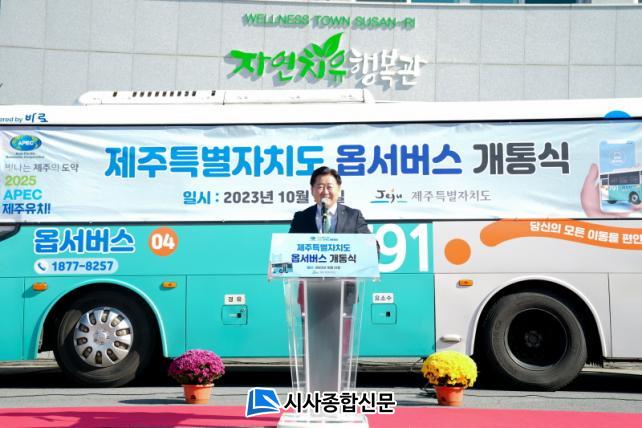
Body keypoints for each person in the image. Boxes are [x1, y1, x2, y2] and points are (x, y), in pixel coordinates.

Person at [289, 166, 371, 234]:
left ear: (338, 189)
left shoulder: (353, 216)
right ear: (312, 190)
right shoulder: (301, 218)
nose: (325, 192)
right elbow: (290, 245)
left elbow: (371, 246)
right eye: (320, 187)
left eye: (329, 187)